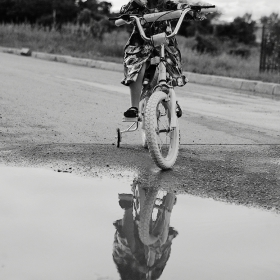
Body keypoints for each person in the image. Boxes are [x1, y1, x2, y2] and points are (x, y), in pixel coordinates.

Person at [119, 0, 199, 118]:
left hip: (164, 44)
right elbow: (124, 12)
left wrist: (193, 11)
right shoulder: (136, 4)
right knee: (136, 66)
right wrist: (134, 6)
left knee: (167, 70)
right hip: (141, 44)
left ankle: (172, 105)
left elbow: (181, 8)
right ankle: (134, 107)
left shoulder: (165, 4)